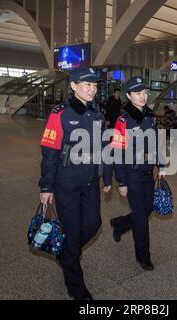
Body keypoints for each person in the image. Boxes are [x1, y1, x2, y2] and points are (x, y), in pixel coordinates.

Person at [38, 67, 112, 300]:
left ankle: (67, 254)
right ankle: (76, 288)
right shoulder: (60, 113)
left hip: (90, 181)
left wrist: (107, 177)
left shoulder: (98, 115)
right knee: (71, 231)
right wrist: (46, 187)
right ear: (73, 86)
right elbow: (49, 152)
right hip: (67, 182)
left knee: (93, 225)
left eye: (95, 85)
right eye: (87, 84)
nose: (92, 89)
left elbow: (103, 149)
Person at [109, 76, 166, 272]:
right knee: (141, 218)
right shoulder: (123, 120)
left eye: (144, 93)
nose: (142, 97)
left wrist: (162, 165)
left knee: (148, 209)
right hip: (131, 173)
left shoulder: (150, 116)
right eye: (138, 93)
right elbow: (117, 151)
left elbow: (155, 143)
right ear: (128, 96)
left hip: (147, 172)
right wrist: (121, 182)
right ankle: (143, 256)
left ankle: (121, 224)